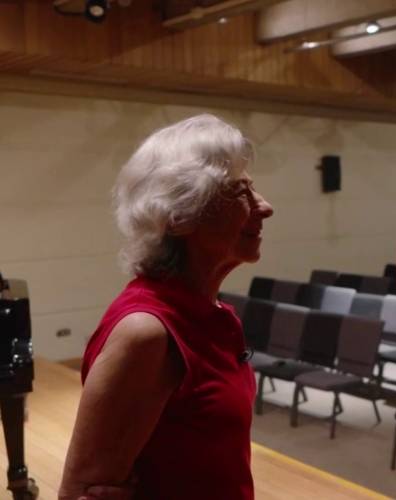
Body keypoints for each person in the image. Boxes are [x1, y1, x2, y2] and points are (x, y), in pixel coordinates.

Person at [59, 114, 274, 500]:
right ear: (179, 216)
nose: (265, 207)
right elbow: (81, 493)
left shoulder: (213, 313)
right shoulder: (148, 333)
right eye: (240, 192)